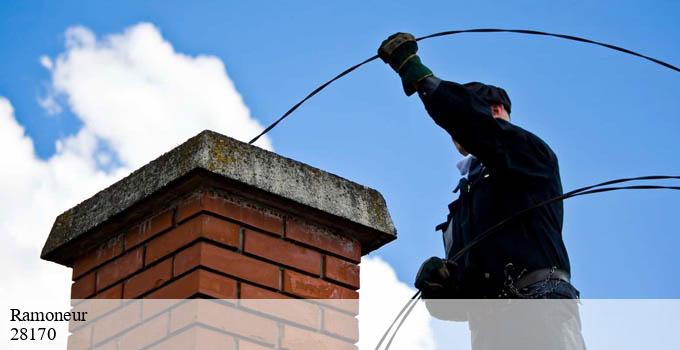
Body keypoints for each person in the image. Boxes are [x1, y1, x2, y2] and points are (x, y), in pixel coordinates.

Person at [378, 33, 586, 349]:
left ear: (497, 110)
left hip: (541, 311)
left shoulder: (528, 155)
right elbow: (461, 305)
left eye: (462, 118)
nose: (454, 133)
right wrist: (440, 287)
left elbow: (478, 128)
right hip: (490, 332)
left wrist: (420, 77)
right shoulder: (462, 211)